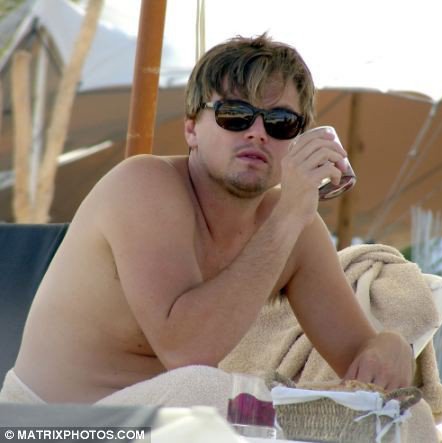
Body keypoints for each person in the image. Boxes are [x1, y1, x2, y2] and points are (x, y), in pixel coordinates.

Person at [2, 34, 413, 405]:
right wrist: (288, 217)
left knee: (398, 414)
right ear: (191, 129)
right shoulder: (143, 184)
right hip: (50, 422)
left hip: (167, 422)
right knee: (213, 390)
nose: (257, 133)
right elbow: (187, 353)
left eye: (280, 122)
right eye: (235, 115)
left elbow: (358, 359)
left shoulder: (294, 224)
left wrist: (390, 347)